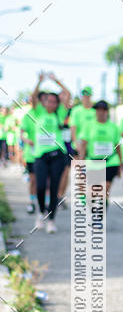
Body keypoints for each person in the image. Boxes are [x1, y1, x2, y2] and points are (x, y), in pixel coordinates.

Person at [27, 91, 67, 233]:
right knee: (41, 186)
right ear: (44, 102)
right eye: (48, 101)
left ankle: (51, 220)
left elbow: (67, 93)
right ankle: (40, 212)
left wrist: (56, 81)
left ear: (57, 104)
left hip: (57, 155)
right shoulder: (38, 112)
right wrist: (39, 81)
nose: (50, 103)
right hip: (40, 156)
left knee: (54, 188)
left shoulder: (59, 113)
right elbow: (33, 96)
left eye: (53, 101)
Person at [77, 100, 123, 206]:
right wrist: (81, 163)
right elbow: (83, 145)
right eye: (98, 110)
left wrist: (121, 164)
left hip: (110, 161)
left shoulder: (113, 127)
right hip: (93, 161)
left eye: (103, 110)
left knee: (104, 188)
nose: (100, 112)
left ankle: (101, 214)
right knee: (92, 192)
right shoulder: (89, 125)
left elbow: (118, 146)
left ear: (107, 112)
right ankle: (94, 210)